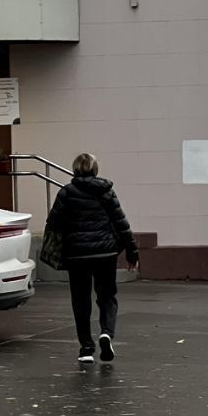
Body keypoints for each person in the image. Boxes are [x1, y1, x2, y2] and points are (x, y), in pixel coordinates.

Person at [46, 153, 139, 364]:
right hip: (105, 253)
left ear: (75, 169)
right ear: (95, 169)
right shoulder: (106, 191)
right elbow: (121, 221)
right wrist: (132, 250)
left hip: (77, 254)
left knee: (80, 300)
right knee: (107, 296)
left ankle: (86, 348)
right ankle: (106, 332)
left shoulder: (66, 193)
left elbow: (54, 222)